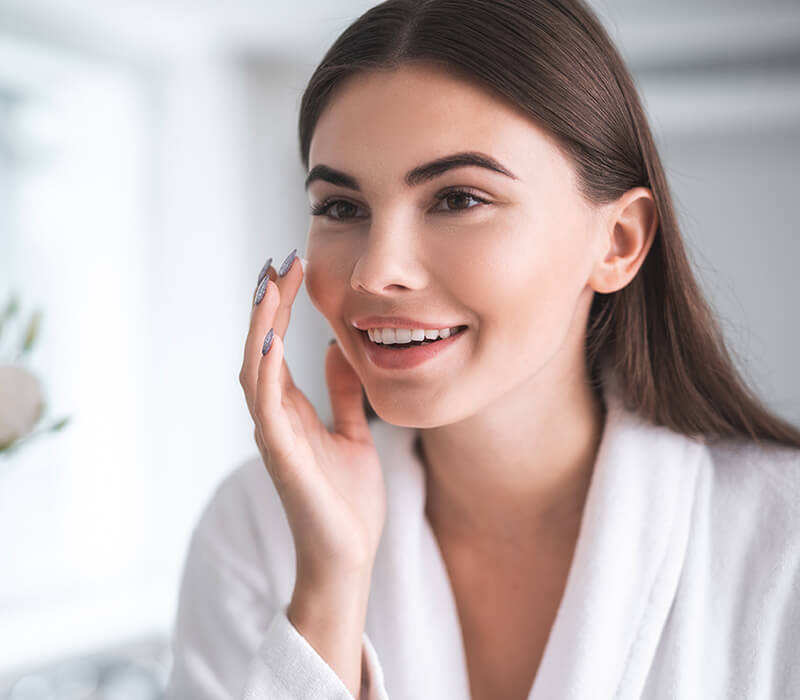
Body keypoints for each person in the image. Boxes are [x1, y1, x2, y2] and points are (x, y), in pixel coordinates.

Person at [163, 1, 800, 698]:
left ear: (617, 242)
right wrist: (330, 585)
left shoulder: (782, 540)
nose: (375, 273)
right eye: (342, 208)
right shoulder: (254, 528)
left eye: (459, 199)